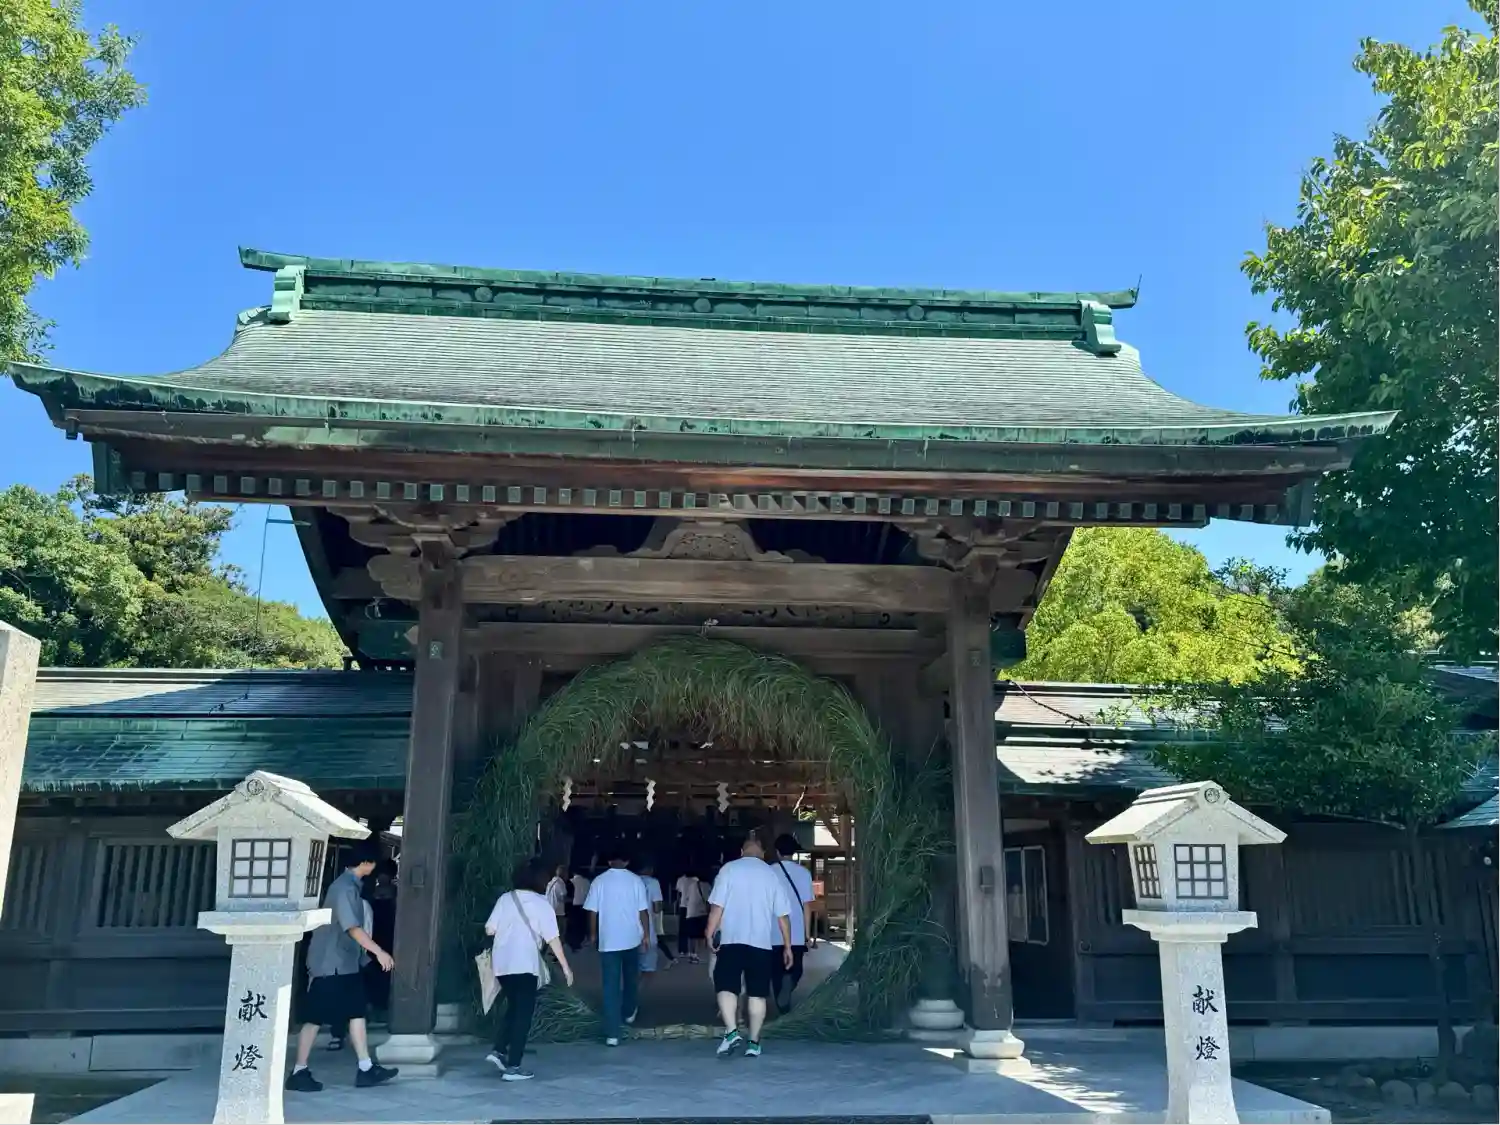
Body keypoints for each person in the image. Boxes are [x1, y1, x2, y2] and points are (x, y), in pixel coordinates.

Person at [286, 841, 398, 1092]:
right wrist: (379, 952)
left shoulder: (349, 886)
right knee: (315, 1017)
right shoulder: (345, 889)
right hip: (331, 964)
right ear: (366, 863)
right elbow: (353, 928)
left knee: (356, 1011)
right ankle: (299, 1071)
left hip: (344, 963)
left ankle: (365, 1067)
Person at [483, 858, 575, 1081]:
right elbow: (553, 938)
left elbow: (489, 929)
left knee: (514, 1007)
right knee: (523, 1015)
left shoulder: (506, 899)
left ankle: (499, 1050)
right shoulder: (542, 903)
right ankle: (513, 1066)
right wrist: (566, 967)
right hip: (525, 964)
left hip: (502, 964)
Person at [705, 830, 793, 1059]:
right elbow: (783, 916)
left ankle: (732, 1031)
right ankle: (754, 1043)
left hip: (731, 940)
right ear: (763, 853)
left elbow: (717, 907)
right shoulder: (771, 874)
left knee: (726, 987)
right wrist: (787, 946)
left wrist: (709, 932)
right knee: (757, 995)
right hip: (761, 944)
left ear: (741, 852)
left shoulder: (729, 870)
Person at [583, 851, 650, 1046]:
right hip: (631, 938)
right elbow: (643, 911)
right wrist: (646, 934)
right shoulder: (636, 881)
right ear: (627, 860)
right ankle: (628, 1011)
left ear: (609, 860)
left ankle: (612, 1033)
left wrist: (593, 935)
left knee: (610, 986)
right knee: (631, 979)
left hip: (608, 940)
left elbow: (592, 912)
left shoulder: (599, 881)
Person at [768, 834, 818, 1013]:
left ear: (777, 852)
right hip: (796, 931)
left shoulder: (769, 872)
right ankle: (789, 985)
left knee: (776, 970)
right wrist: (807, 934)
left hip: (773, 931)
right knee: (796, 969)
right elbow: (807, 906)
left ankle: (783, 1007)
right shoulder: (804, 873)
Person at [638, 861, 676, 971]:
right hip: (648, 927)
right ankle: (671, 958)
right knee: (648, 968)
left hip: (629, 932)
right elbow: (657, 907)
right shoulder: (653, 883)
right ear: (649, 869)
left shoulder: (630, 881)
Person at [674, 868, 707, 962]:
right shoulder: (696, 880)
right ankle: (693, 952)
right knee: (693, 931)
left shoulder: (680, 880)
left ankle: (683, 950)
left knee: (682, 929)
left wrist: (677, 904)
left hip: (683, 905)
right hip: (693, 907)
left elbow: (679, 894)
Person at [566, 867, 592, 951]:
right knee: (581, 926)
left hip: (573, 907)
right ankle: (580, 941)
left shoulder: (570, 882)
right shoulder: (587, 882)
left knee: (573, 926)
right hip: (584, 907)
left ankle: (573, 943)